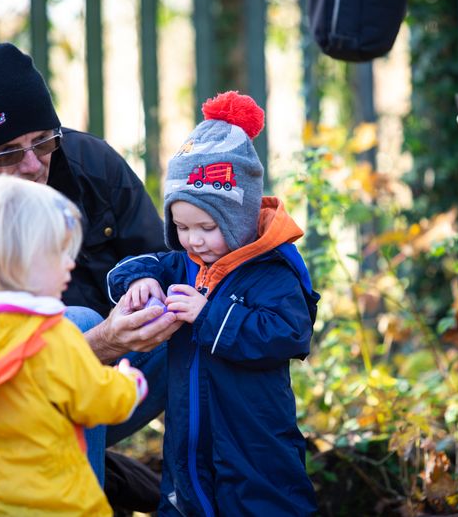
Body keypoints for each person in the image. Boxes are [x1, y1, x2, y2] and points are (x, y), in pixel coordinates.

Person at [0, 42, 179, 486]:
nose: (31, 164)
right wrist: (97, 345)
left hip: (91, 375)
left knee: (187, 312)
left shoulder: (91, 163)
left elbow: (161, 258)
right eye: (7, 152)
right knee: (75, 322)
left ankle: (201, 497)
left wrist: (151, 293)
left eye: (43, 141)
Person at [107, 91, 319, 515]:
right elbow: (135, 264)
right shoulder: (183, 264)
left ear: (237, 220)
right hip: (190, 435)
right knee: (186, 501)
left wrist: (210, 315)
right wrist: (142, 281)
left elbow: (289, 334)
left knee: (264, 505)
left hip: (255, 440)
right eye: (182, 227)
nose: (194, 240)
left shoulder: (271, 270)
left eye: (207, 226)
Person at [0, 175, 149, 516]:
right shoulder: (49, 337)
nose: (70, 262)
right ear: (16, 261)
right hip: (51, 501)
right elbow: (95, 399)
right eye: (58, 252)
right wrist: (129, 385)